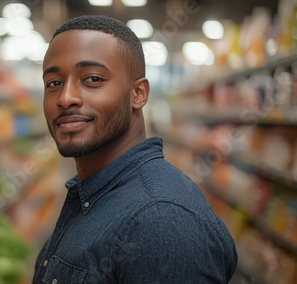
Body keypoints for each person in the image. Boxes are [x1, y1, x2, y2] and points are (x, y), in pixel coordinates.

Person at [33, 15, 238, 283]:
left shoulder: (161, 221)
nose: (66, 98)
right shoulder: (92, 193)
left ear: (138, 94)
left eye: (93, 79)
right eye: (54, 83)